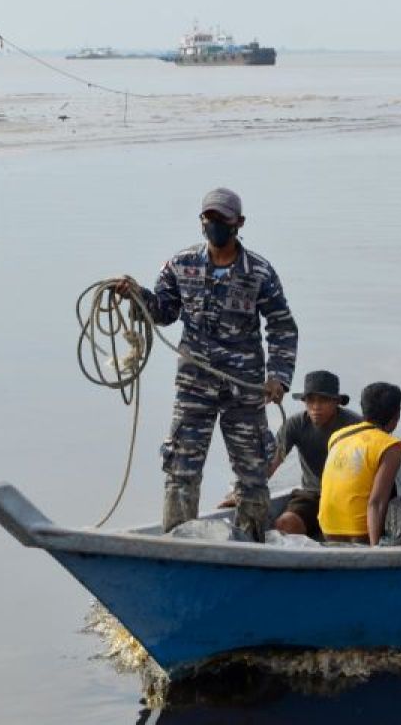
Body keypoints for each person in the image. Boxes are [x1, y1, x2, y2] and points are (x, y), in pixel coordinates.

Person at [115, 187, 298, 542]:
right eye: (209, 218)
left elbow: (281, 326)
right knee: (181, 469)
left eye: (222, 220)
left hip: (244, 390)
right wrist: (137, 296)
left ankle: (254, 547)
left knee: (252, 473)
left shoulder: (259, 272)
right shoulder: (181, 264)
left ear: (238, 223)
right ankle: (178, 546)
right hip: (195, 385)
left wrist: (278, 376)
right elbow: (163, 312)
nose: (214, 225)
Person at [270, 370, 362, 538]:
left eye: (323, 400)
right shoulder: (295, 424)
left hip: (349, 496)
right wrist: (248, 490)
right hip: (313, 494)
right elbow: (272, 462)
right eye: (311, 400)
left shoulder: (355, 426)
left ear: (336, 402)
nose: (316, 406)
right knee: (285, 524)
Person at [318, 382, 401, 546]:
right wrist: (374, 549)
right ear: (397, 415)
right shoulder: (392, 445)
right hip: (360, 533)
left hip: (327, 529)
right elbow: (377, 502)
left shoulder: (337, 436)